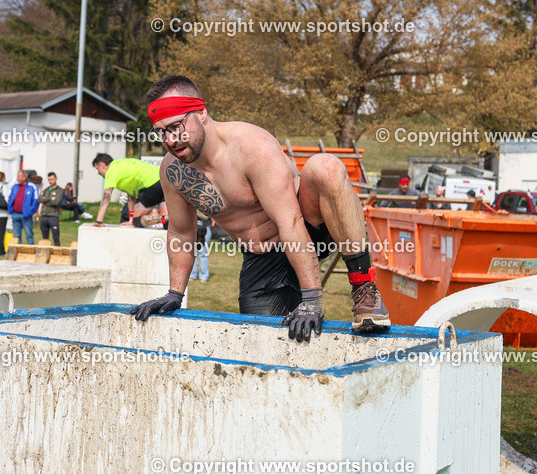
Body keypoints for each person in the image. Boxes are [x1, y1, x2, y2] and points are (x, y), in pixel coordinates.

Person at [131, 75, 389, 340]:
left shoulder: (251, 146)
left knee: (326, 167)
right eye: (160, 132)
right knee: (261, 343)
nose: (170, 139)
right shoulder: (172, 170)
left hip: (307, 226)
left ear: (201, 113)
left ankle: (364, 288)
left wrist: (312, 298)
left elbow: (290, 221)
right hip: (261, 257)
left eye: (176, 127)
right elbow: (181, 232)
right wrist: (175, 293)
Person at [92, 154, 167, 227]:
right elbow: (131, 197)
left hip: (151, 183)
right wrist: (131, 220)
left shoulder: (111, 171)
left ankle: (164, 218)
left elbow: (106, 198)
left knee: (137, 221)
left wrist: (98, 221)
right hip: (164, 179)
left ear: (102, 165)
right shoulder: (122, 164)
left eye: (97, 169)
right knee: (168, 224)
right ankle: (166, 218)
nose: (98, 173)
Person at [7, 170, 39, 244]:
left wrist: (30, 211)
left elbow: (36, 200)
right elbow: (10, 198)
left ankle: (31, 250)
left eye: (19, 177)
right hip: (15, 214)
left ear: (24, 177)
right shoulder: (15, 187)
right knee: (17, 236)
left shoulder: (32, 186)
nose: (17, 179)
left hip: (26, 215)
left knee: (29, 235)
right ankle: (18, 250)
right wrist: (10, 209)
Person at [39, 172, 64, 246]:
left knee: (55, 236)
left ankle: (57, 250)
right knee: (44, 238)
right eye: (49, 180)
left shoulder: (60, 190)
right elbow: (39, 199)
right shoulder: (46, 190)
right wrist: (50, 199)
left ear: (56, 179)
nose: (50, 181)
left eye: (52, 179)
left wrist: (45, 200)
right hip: (44, 215)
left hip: (53, 216)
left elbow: (56, 202)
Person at [190, 212, 213, 282]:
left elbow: (205, 217)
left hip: (204, 226)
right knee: (193, 253)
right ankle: (192, 275)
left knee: (203, 253)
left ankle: (204, 276)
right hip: (193, 225)